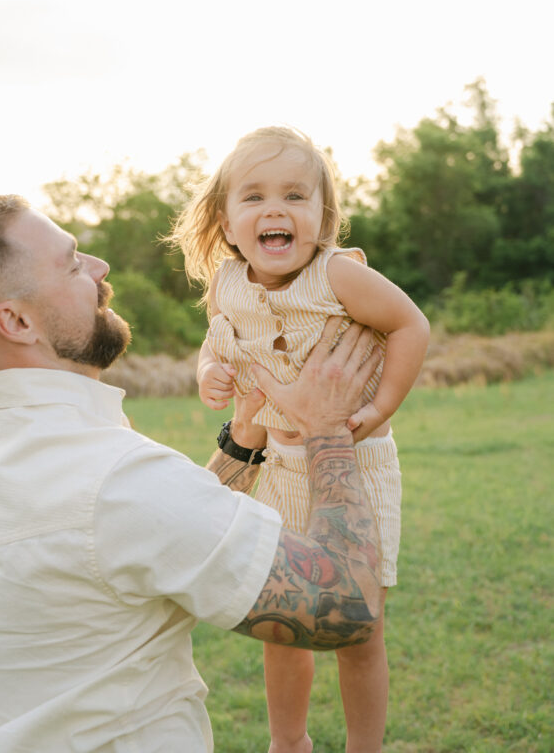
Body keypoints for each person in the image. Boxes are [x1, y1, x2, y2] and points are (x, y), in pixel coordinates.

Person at [0, 194, 384, 753]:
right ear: (16, 320)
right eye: (73, 262)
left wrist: (245, 440)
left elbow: (149, 534)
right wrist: (326, 428)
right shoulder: (111, 480)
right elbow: (349, 608)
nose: (100, 269)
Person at [170, 125, 430, 753]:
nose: (275, 209)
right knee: (285, 626)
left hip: (355, 464)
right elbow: (218, 336)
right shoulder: (229, 284)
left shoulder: (338, 276)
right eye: (253, 197)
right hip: (280, 468)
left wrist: (382, 405)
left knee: (358, 629)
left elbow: (410, 325)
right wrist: (211, 371)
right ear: (228, 224)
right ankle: (289, 743)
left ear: (322, 217)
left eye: (295, 195)